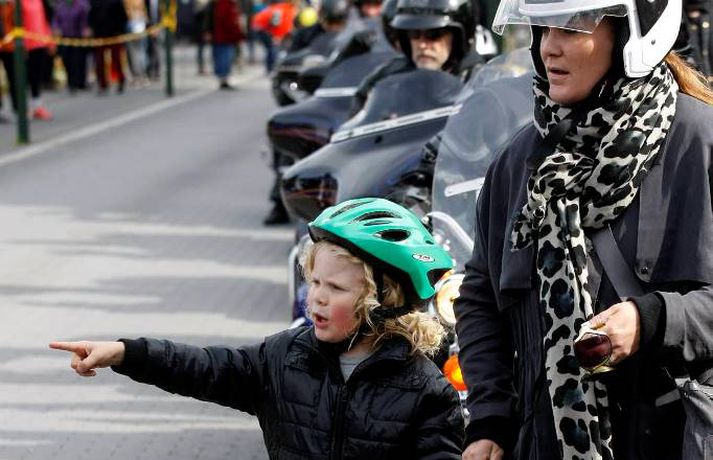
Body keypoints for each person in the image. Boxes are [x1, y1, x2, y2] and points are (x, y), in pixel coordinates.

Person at [453, 0, 713, 458]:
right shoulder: (518, 161)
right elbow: (480, 297)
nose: (548, 48)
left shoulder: (700, 141)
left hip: (672, 440)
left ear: (634, 35)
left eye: (572, 29)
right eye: (543, 28)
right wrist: (489, 421)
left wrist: (652, 320)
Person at [50, 197, 465, 459]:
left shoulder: (426, 390)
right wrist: (126, 353)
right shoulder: (283, 358)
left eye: (336, 288)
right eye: (314, 282)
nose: (316, 297)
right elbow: (203, 367)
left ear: (384, 300)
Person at [0, 0, 54, 120]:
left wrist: (49, 40)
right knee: (20, 77)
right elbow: (16, 24)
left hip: (38, 42)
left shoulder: (39, 2)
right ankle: (21, 108)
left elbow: (44, 20)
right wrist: (21, 44)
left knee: (36, 76)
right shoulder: (16, 3)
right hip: (21, 45)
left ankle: (36, 106)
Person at [89, 0, 128, 94]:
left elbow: (123, 17)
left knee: (116, 60)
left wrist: (119, 31)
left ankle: (120, 80)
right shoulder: (95, 2)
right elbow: (91, 17)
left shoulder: (116, 2)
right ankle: (102, 84)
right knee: (99, 61)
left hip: (114, 34)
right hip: (99, 35)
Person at [204, 0, 245, 90]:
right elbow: (229, 20)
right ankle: (223, 78)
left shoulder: (219, 4)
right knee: (225, 57)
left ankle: (222, 78)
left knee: (221, 56)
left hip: (220, 35)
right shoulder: (225, 4)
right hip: (224, 36)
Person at [52, 0, 90, 93]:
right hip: (65, 37)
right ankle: (71, 82)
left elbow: (85, 20)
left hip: (77, 37)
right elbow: (55, 20)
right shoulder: (60, 6)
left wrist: (85, 29)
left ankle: (79, 82)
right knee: (67, 60)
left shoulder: (81, 5)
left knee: (77, 60)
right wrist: (56, 28)